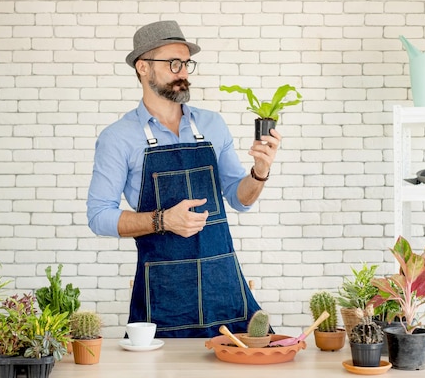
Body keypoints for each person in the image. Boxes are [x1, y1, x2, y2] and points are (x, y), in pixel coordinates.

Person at [87, 20, 281, 338]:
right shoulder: (118, 137)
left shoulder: (212, 124)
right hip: (164, 294)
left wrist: (259, 171)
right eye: (173, 63)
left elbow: (239, 198)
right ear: (143, 67)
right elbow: (99, 217)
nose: (184, 72)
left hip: (223, 283)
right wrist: (163, 220)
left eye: (186, 63)